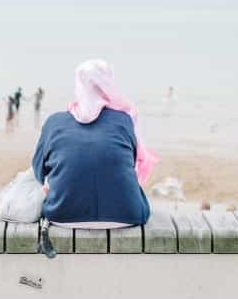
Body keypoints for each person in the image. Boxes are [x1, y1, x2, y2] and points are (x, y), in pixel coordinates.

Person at [33, 59, 157, 258]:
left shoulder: (54, 122)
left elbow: (38, 171)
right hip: (128, 215)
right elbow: (129, 164)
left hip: (62, 215)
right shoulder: (123, 120)